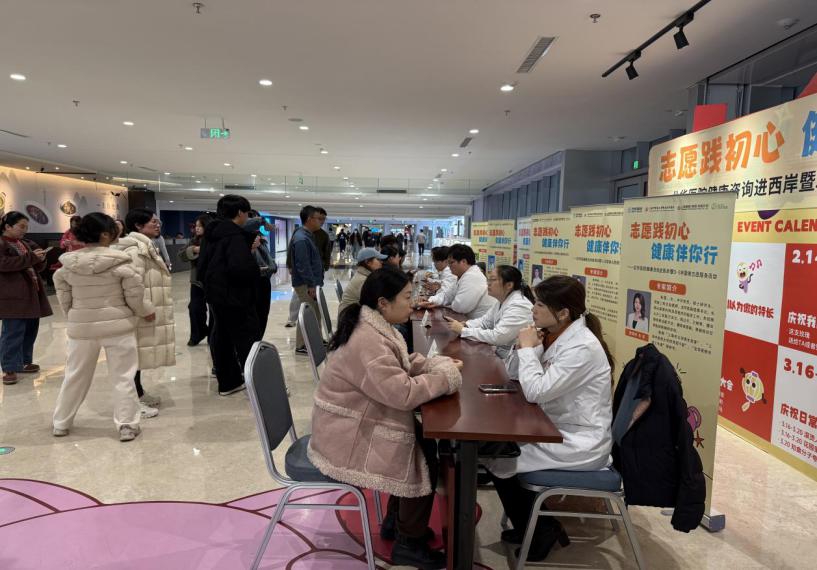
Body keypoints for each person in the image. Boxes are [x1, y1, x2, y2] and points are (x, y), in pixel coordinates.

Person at [307, 268, 463, 569]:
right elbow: (402, 393)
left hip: (352, 422)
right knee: (422, 457)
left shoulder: (374, 326)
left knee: (423, 443)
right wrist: (445, 377)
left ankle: (398, 522)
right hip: (346, 435)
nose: (412, 303)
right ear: (383, 303)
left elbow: (399, 364)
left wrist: (436, 365)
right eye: (407, 297)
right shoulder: (368, 340)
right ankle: (408, 543)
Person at [489, 275, 614, 562]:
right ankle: (534, 526)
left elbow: (536, 392)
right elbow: (514, 374)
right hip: (554, 427)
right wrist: (526, 346)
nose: (533, 309)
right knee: (499, 453)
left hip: (579, 441)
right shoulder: (553, 334)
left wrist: (528, 350)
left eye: (540, 305)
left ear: (563, 313)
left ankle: (542, 530)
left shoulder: (581, 347)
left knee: (501, 460)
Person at [52, 213, 154, 442]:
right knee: (123, 377)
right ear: (106, 234)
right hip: (118, 328)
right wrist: (145, 311)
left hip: (82, 330)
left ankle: (61, 423)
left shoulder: (67, 267)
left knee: (75, 375)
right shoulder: (121, 264)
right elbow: (135, 297)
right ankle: (127, 424)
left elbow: (65, 301)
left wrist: (76, 317)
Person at [197, 195, 261, 396]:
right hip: (235, 296)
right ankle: (258, 385)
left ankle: (228, 382)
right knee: (247, 339)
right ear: (240, 212)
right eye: (247, 213)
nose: (247, 217)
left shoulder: (211, 234)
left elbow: (203, 266)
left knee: (222, 337)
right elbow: (240, 269)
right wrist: (254, 269)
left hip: (216, 295)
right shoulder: (234, 236)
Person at [114, 208, 175, 416]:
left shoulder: (145, 245)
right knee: (132, 357)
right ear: (138, 226)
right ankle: (131, 403)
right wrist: (144, 308)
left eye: (158, 221)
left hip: (141, 311)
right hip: (138, 313)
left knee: (138, 355)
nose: (157, 225)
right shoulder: (135, 250)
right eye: (152, 222)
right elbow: (132, 285)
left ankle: (138, 393)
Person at [0, 211, 53, 385]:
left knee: (30, 330)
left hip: (31, 293)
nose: (25, 230)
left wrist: (40, 259)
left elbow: (35, 267)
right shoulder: (2, 243)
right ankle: (9, 367)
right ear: (8, 226)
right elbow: (4, 264)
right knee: (12, 332)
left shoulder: (25, 243)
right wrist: (31, 257)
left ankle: (24, 361)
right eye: (21, 226)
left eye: (26, 227)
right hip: (12, 296)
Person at [445, 265, 534, 358]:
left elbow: (498, 336)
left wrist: (463, 331)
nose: (488, 283)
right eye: (488, 279)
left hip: (517, 360)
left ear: (509, 285)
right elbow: (485, 322)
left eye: (493, 280)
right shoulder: (502, 300)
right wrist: (466, 325)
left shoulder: (519, 305)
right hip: (503, 355)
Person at [418, 244, 495, 319]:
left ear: (463, 261)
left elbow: (460, 307)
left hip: (479, 324)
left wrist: (443, 303)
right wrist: (430, 300)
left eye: (451, 262)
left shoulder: (473, 276)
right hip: (467, 321)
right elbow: (447, 295)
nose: (448, 266)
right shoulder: (462, 276)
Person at [289, 205, 325, 355]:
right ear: (310, 219)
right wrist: (310, 284)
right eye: (319, 218)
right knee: (307, 314)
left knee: (315, 312)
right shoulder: (302, 239)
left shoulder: (307, 236)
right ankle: (301, 345)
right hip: (306, 284)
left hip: (312, 283)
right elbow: (303, 265)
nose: (321, 222)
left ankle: (315, 340)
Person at [178, 213, 213, 346]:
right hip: (197, 281)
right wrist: (194, 249)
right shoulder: (193, 241)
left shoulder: (215, 240)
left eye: (200, 226)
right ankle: (198, 333)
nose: (197, 228)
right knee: (195, 308)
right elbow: (181, 255)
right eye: (196, 226)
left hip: (213, 281)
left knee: (214, 310)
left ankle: (213, 336)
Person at [244, 210, 277, 339]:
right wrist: (252, 248)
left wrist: (271, 267)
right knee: (254, 315)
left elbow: (267, 259)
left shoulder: (261, 239)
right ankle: (253, 342)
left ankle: (258, 340)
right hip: (253, 282)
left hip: (264, 280)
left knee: (263, 313)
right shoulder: (242, 239)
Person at [337, 247, 386, 316]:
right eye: (378, 259)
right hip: (349, 320)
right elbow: (374, 305)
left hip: (350, 317)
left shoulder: (363, 276)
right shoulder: (363, 280)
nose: (381, 262)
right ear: (368, 262)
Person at [313, 207, 330, 272]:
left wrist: (326, 266)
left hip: (318, 268)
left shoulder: (324, 235)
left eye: (324, 219)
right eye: (320, 219)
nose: (322, 221)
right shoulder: (301, 232)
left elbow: (327, 253)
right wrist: (290, 265)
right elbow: (292, 249)